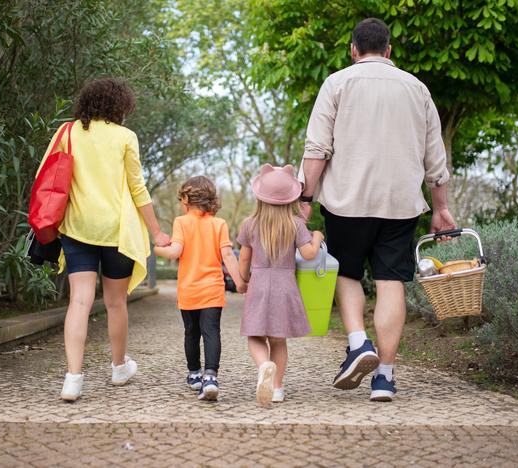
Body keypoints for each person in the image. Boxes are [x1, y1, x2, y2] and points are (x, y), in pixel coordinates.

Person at [298, 18, 456, 401]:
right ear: (389, 51)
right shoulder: (417, 89)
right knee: (390, 282)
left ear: (354, 50)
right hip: (400, 204)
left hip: (346, 201)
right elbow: (435, 157)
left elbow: (317, 149)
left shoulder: (336, 83)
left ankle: (358, 344)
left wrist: (304, 198)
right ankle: (384, 376)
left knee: (347, 273)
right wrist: (441, 209)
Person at [35, 78, 171, 401]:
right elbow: (138, 188)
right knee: (115, 302)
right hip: (116, 231)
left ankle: (73, 378)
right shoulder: (125, 137)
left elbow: (46, 174)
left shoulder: (67, 132)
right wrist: (156, 232)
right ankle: (118, 366)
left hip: (78, 228)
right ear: (119, 106)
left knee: (79, 301)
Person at [237, 164, 324, 405]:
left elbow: (244, 258)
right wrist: (317, 237)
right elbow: (308, 254)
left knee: (255, 335)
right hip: (286, 286)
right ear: (291, 198)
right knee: (278, 339)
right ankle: (276, 388)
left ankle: (264, 365)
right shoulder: (296, 224)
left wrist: (243, 281)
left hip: (259, 284)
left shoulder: (250, 224)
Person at [154, 176, 245, 401]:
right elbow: (227, 256)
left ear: (186, 199)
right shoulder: (219, 224)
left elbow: (175, 251)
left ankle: (194, 374)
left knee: (191, 333)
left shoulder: (181, 222)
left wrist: (156, 249)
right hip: (213, 290)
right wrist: (240, 281)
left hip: (189, 290)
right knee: (211, 332)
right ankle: (211, 377)